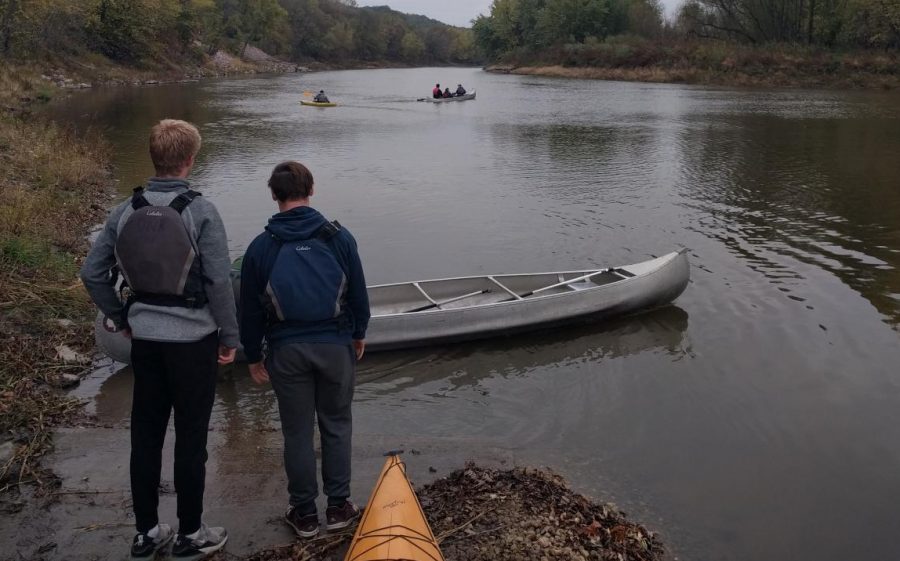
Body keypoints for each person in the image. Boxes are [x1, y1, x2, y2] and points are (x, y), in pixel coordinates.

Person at [80, 119, 237, 560]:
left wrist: (121, 316)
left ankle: (147, 533)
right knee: (191, 438)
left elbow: (92, 273)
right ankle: (191, 534)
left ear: (153, 157)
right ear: (190, 160)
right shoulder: (202, 210)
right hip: (194, 343)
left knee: (145, 436)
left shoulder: (124, 211)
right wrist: (230, 337)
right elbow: (220, 283)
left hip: (145, 342)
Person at [239, 161, 370, 539]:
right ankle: (340, 507)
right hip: (335, 346)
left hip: (287, 351)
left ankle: (305, 514)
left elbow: (248, 310)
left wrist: (253, 354)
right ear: (311, 189)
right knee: (337, 424)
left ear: (274, 194)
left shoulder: (261, 247)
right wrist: (358, 333)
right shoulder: (340, 239)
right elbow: (359, 295)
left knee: (297, 432)